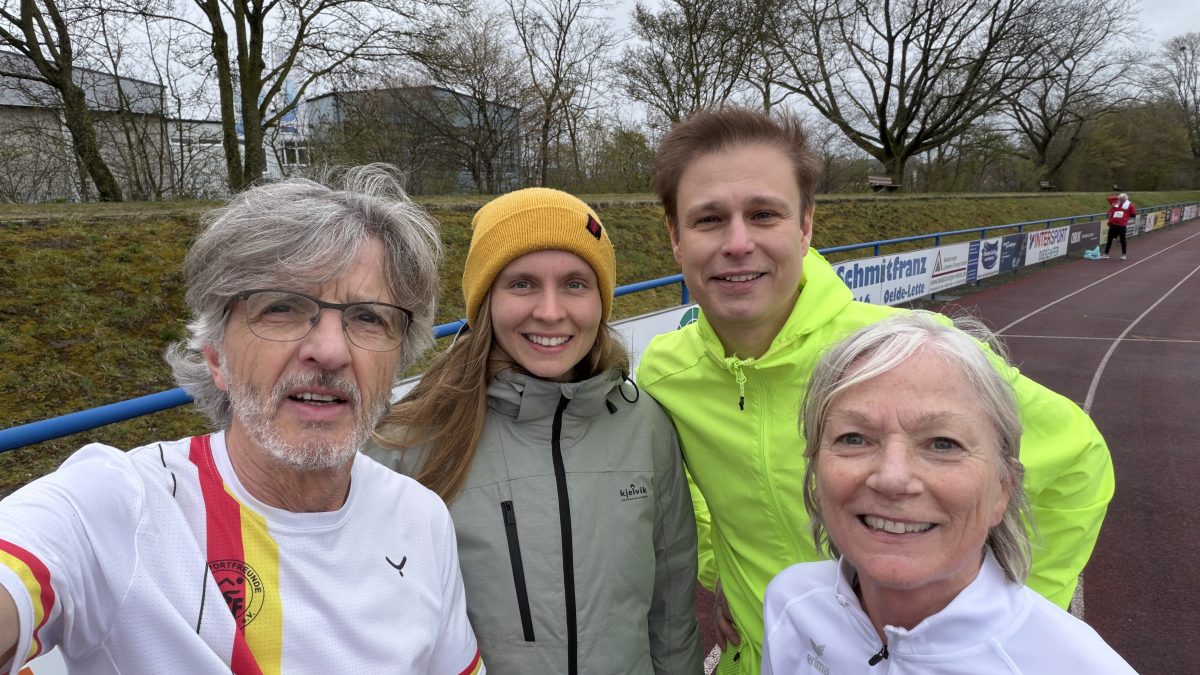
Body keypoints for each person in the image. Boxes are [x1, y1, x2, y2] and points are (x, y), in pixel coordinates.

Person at [635, 108, 1114, 674]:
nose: (738, 243)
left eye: (764, 214)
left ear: (806, 225)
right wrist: (732, 582)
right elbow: (686, 490)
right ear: (675, 237)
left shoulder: (906, 352)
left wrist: (1011, 616)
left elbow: (1080, 462)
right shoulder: (664, 374)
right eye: (709, 219)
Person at [0, 165, 485, 674]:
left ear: (397, 363)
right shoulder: (117, 507)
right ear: (215, 357)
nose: (330, 350)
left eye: (368, 317)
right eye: (281, 308)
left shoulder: (421, 519)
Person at [369, 187, 700, 675]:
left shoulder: (645, 425)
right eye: (521, 284)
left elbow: (671, 610)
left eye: (575, 284)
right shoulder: (407, 444)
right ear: (486, 301)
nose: (550, 311)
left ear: (601, 300)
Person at [762, 311, 1135, 673]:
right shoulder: (790, 604)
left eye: (942, 443)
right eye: (854, 438)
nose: (892, 478)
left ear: (1004, 489)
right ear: (816, 474)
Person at [1103, 193, 1136, 260]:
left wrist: (1125, 215)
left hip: (1122, 225)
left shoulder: (1130, 205)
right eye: (1120, 198)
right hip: (1113, 224)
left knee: (1122, 240)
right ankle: (1106, 253)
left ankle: (1123, 254)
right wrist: (1116, 200)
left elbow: (1133, 215)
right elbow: (1109, 199)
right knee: (1109, 239)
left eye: (1122, 198)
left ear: (1126, 199)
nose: (1121, 200)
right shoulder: (1116, 204)